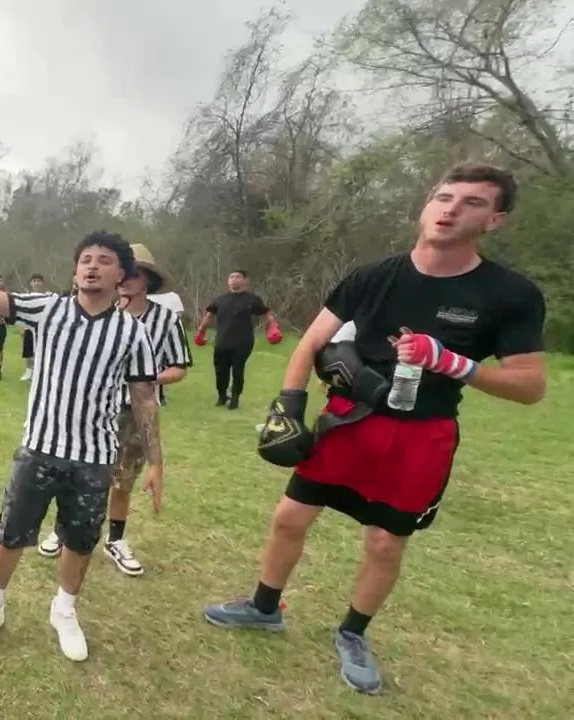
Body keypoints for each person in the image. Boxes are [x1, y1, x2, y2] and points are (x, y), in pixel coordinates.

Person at [203, 163, 547, 695]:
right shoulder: (373, 276)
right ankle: (264, 606)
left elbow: (530, 386)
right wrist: (289, 406)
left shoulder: (509, 293)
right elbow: (311, 342)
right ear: (426, 206)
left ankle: (353, 634)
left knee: (385, 543)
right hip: (349, 417)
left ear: (495, 220)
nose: (451, 209)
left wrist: (454, 364)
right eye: (443, 196)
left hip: (422, 433)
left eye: (473, 202)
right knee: (289, 517)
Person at [0, 231, 161, 662]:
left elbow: (143, 399)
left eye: (103, 260)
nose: (92, 266)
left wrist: (156, 462)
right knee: (11, 533)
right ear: (75, 270)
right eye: (85, 259)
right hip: (39, 449)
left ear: (121, 274)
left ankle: (64, 611)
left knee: (79, 541)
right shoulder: (48, 309)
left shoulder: (132, 334)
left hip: (94, 458)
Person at [36, 243, 191, 576]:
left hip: (133, 413)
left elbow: (179, 367)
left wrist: (146, 377)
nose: (127, 280)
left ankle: (116, 539)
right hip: (91, 408)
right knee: (76, 472)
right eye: (125, 273)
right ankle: (63, 530)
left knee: (123, 479)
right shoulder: (98, 313)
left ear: (147, 280)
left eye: (135, 274)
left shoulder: (164, 320)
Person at [194, 269, 280, 409]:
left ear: (245, 280)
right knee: (220, 371)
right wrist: (201, 332)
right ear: (228, 281)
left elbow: (266, 314)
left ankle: (235, 399)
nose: (234, 279)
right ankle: (222, 396)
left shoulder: (252, 299)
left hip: (243, 342)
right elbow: (209, 315)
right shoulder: (220, 299)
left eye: (237, 277)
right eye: (231, 277)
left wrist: (271, 328)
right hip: (222, 341)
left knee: (237, 370)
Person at [20, 273, 46, 381]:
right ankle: (29, 371)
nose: (36, 283)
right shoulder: (27, 297)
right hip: (28, 328)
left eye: (38, 281)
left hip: (41, 329)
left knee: (41, 351)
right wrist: (22, 327)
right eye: (34, 281)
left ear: (42, 283)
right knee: (28, 352)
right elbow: (22, 313)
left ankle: (40, 372)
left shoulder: (47, 297)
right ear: (31, 283)